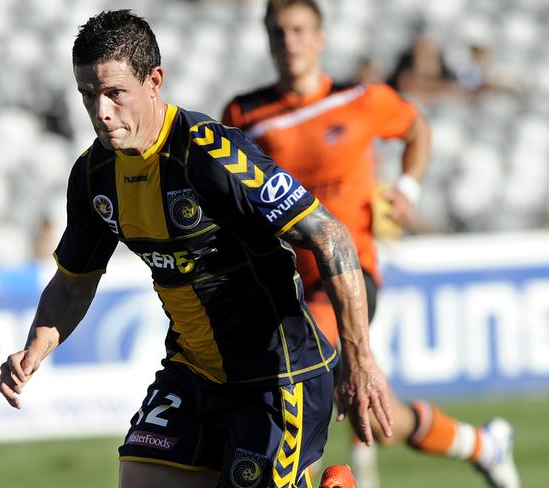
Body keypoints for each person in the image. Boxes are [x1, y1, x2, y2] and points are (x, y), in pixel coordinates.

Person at [0, 9, 390, 488]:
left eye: (115, 93)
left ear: (153, 81)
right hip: (191, 372)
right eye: (89, 95)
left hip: (278, 376)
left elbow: (330, 235)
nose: (101, 111)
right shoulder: (93, 176)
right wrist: (36, 346)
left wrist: (360, 359)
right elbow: (73, 282)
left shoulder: (209, 154)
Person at [221, 1, 520, 488]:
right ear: (267, 39)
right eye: (278, 31)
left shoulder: (362, 99)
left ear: (320, 39)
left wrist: (408, 188)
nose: (289, 41)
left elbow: (417, 129)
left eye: (299, 30)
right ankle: (481, 445)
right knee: (369, 410)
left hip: (348, 276)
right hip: (283, 286)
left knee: (292, 378)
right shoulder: (245, 114)